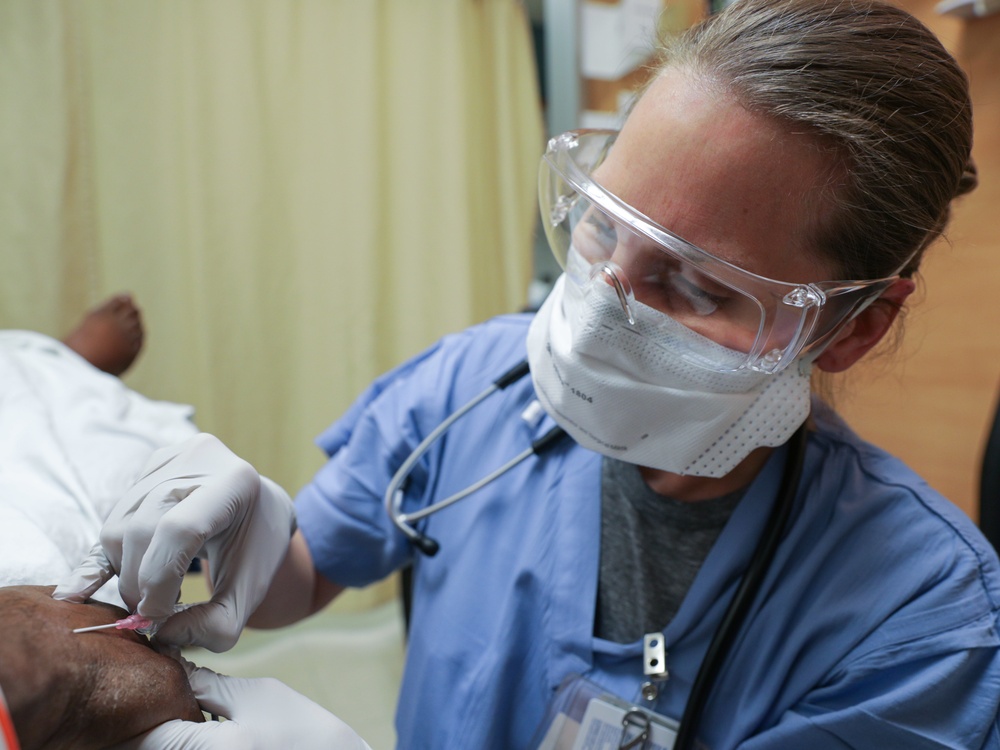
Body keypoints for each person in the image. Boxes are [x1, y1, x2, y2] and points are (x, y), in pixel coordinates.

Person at [54, 0, 1000, 748]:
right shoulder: (474, 384)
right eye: (600, 224)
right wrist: (243, 537)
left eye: (694, 284)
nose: (597, 304)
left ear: (850, 329)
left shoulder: (919, 619)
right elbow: (304, 573)